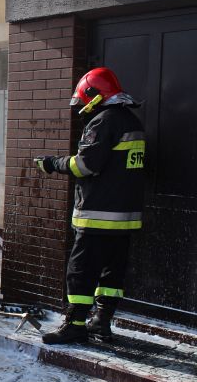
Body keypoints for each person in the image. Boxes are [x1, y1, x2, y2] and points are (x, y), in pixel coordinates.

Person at [35, 67, 144, 344]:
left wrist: (52, 163)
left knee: (80, 272)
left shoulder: (102, 122)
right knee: (112, 273)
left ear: (95, 96)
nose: (82, 107)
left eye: (84, 101)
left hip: (96, 216)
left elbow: (84, 165)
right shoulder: (132, 122)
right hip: (125, 219)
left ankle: (75, 325)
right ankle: (101, 323)